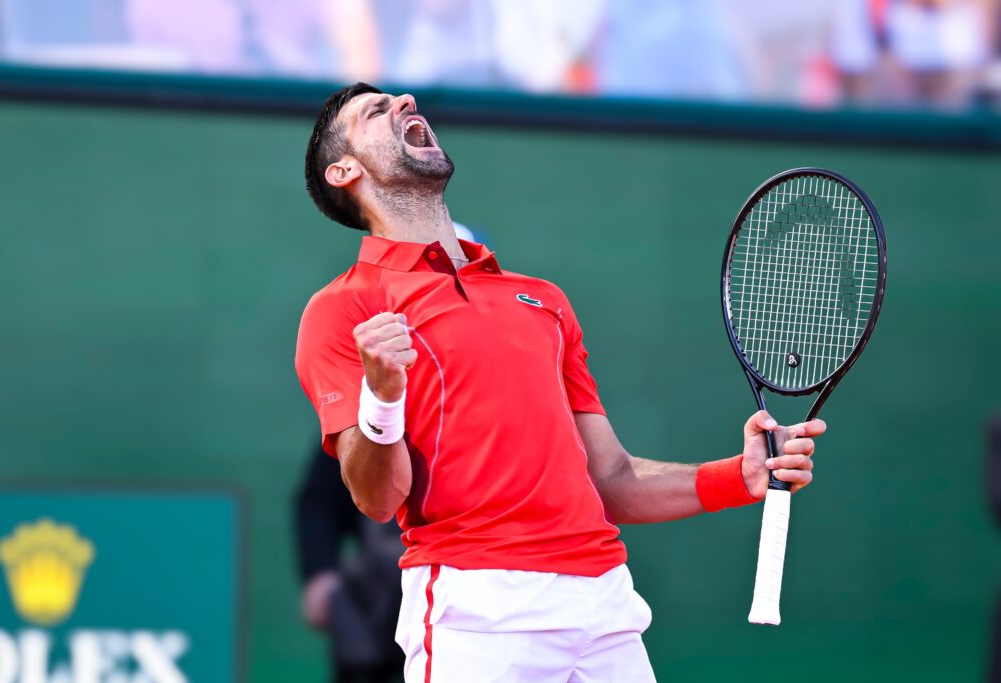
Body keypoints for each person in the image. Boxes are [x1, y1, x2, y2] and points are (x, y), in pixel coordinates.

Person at [295, 83, 825, 683]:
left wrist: (742, 475)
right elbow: (377, 498)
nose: (406, 102)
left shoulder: (543, 301)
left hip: (604, 606)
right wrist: (383, 395)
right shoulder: (342, 309)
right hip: (478, 611)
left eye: (402, 100)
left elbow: (611, 480)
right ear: (344, 170)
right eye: (375, 110)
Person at [294, 444, 404, 683]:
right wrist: (319, 572)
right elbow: (320, 500)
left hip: (458, 591)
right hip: (374, 598)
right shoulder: (365, 415)